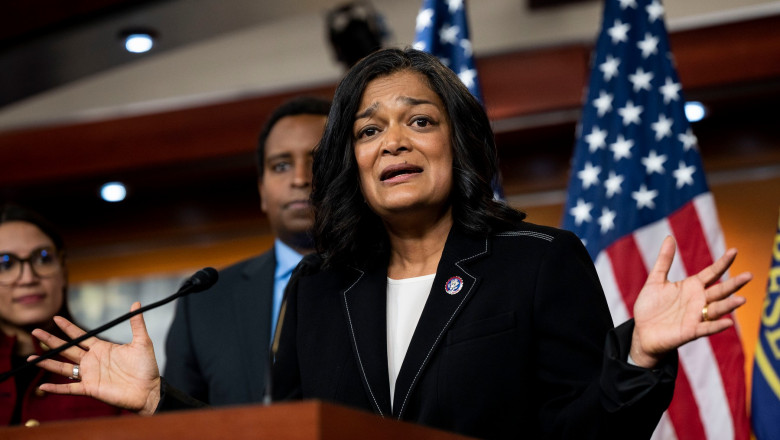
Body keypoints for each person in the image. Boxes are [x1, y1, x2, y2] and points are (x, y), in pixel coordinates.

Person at [28, 48, 751, 440]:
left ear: (458, 141)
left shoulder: (539, 261)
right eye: (369, 130)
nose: (393, 142)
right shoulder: (318, 286)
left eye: (418, 121)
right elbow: (289, 435)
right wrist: (160, 400)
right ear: (353, 162)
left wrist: (639, 355)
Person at [163, 96, 330, 405]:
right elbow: (179, 426)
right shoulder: (202, 302)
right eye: (281, 165)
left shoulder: (391, 276)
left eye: (318, 161)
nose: (300, 179)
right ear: (262, 191)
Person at [0, 204, 125, 426]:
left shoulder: (115, 365)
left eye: (44, 258)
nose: (28, 278)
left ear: (63, 272)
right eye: (5, 264)